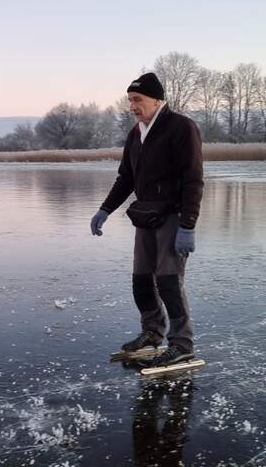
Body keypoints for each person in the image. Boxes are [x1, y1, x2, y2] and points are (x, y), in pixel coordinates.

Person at [90, 72, 204, 368]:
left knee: (168, 281)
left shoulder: (181, 128)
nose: (132, 106)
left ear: (157, 100)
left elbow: (193, 180)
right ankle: (152, 332)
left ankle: (182, 343)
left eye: (137, 99)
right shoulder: (135, 134)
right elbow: (125, 178)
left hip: (173, 217)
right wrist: (105, 210)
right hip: (145, 217)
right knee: (141, 280)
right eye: (130, 100)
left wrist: (188, 225)